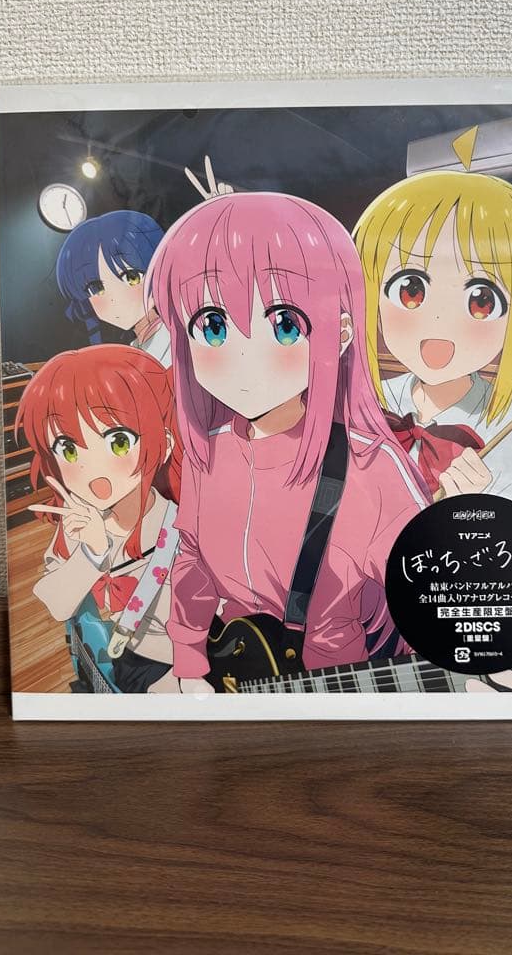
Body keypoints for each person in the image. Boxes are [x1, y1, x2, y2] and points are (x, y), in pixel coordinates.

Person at [146, 191, 430, 693]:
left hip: (339, 691)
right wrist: (188, 661)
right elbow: (192, 561)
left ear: (341, 333)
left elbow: (431, 592)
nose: (243, 359)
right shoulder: (209, 454)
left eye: (284, 325)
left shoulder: (371, 467)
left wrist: (481, 665)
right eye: (213, 327)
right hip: (234, 671)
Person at [353, 171, 512, 543]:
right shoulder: (362, 404)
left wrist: (471, 518)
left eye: (481, 300)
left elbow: (503, 562)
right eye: (410, 290)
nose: (439, 322)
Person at [16, 345, 182, 692]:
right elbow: (56, 604)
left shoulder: (180, 525)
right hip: (125, 656)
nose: (90, 469)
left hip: (179, 659)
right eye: (67, 449)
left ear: (164, 444)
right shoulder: (77, 523)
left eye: (118, 442)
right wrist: (91, 552)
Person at [55, 210, 171, 365]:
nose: (115, 300)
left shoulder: (178, 340)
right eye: (96, 289)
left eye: (132, 277)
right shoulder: (135, 350)